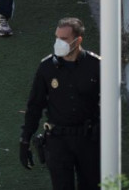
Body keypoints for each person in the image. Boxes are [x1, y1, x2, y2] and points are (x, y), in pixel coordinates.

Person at [19, 17, 100, 189]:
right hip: (58, 140)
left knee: (92, 185)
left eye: (64, 39)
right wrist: (25, 140)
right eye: (57, 37)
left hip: (89, 140)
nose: (58, 42)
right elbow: (35, 106)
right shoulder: (46, 67)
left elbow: (109, 104)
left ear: (78, 41)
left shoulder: (96, 66)